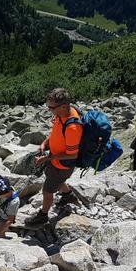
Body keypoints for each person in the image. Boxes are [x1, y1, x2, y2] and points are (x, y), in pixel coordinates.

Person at [27, 88, 82, 225]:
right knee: (56, 179)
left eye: (51, 107)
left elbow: (72, 154)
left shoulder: (72, 127)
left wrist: (47, 158)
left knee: (47, 191)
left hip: (62, 164)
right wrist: (45, 143)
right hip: (55, 159)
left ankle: (43, 216)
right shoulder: (61, 115)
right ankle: (67, 196)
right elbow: (56, 133)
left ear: (63, 106)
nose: (49, 110)